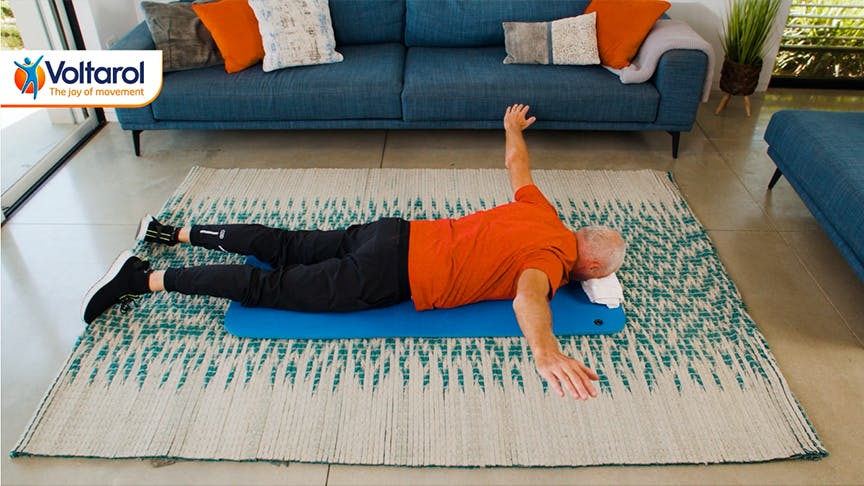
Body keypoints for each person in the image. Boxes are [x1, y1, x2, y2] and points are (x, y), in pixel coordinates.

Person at [82, 104, 626, 401]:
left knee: (283, 244)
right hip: (387, 273)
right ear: (592, 267)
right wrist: (545, 351)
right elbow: (528, 300)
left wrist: (511, 126)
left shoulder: (543, 211)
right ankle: (141, 279)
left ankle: (173, 234)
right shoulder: (552, 267)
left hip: (391, 232)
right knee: (266, 289)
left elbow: (517, 166)